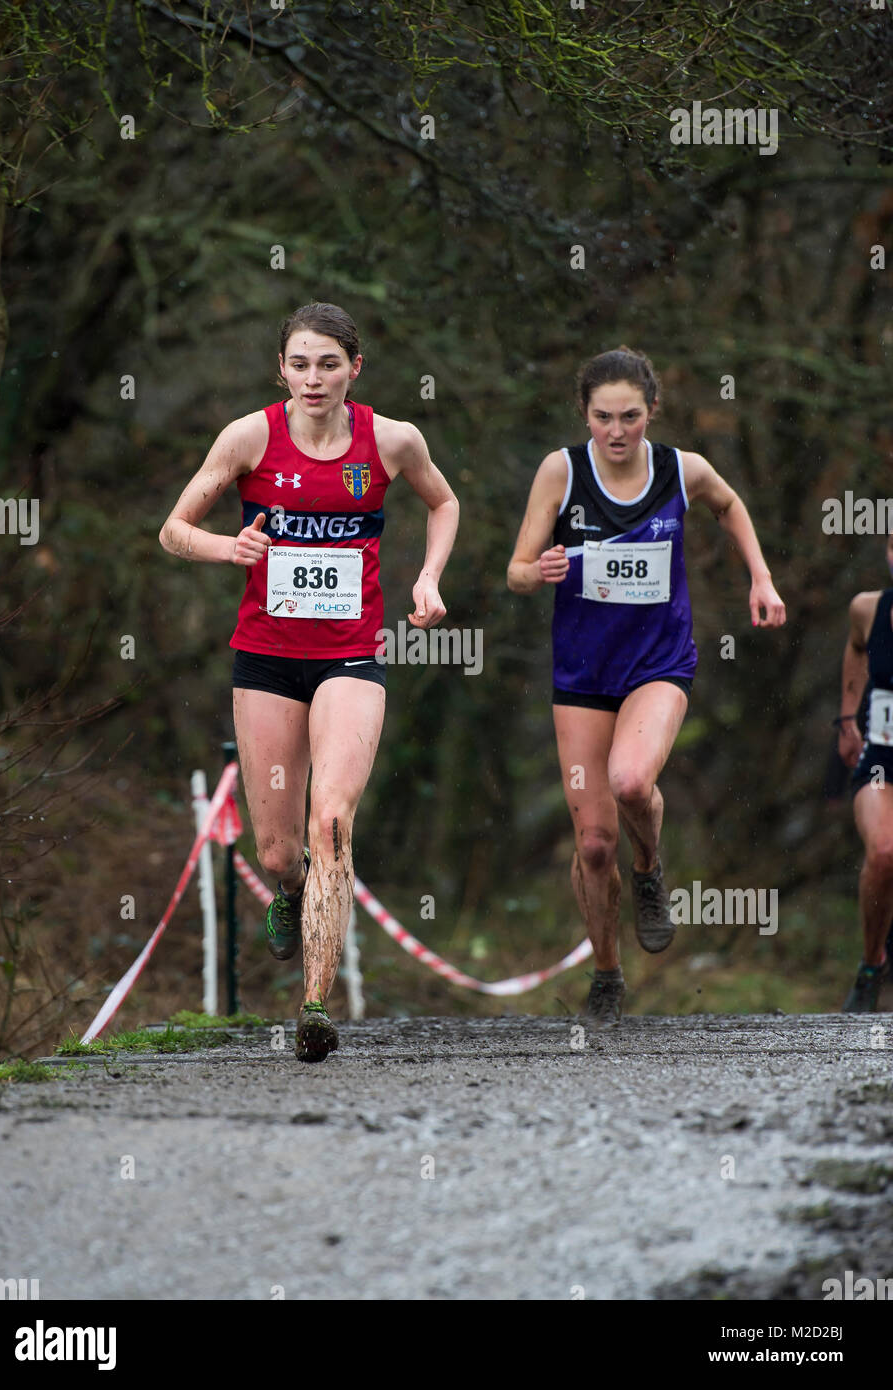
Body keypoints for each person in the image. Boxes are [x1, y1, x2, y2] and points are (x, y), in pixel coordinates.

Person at [159, 302, 459, 1060]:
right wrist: (228, 548)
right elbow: (173, 529)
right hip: (265, 656)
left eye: (329, 363)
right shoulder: (249, 436)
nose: (314, 377)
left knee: (332, 820)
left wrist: (427, 580)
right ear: (281, 370)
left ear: (355, 368)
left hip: (351, 656)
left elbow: (444, 501)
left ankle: (315, 1005)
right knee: (277, 854)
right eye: (300, 363)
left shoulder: (390, 440)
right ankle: (291, 898)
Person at [507, 346, 786, 1026]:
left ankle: (651, 867)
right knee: (594, 843)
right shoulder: (561, 472)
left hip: (658, 664)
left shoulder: (679, 469)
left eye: (631, 416)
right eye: (603, 417)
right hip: (581, 675)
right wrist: (535, 571)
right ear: (585, 416)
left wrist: (761, 577)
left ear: (652, 411)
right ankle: (607, 969)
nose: (618, 431)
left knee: (632, 781)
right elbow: (515, 569)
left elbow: (729, 503)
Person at [836, 531, 893, 1011]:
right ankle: (872, 964)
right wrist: (847, 717)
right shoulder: (868, 609)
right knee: (884, 852)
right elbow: (856, 648)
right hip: (882, 757)